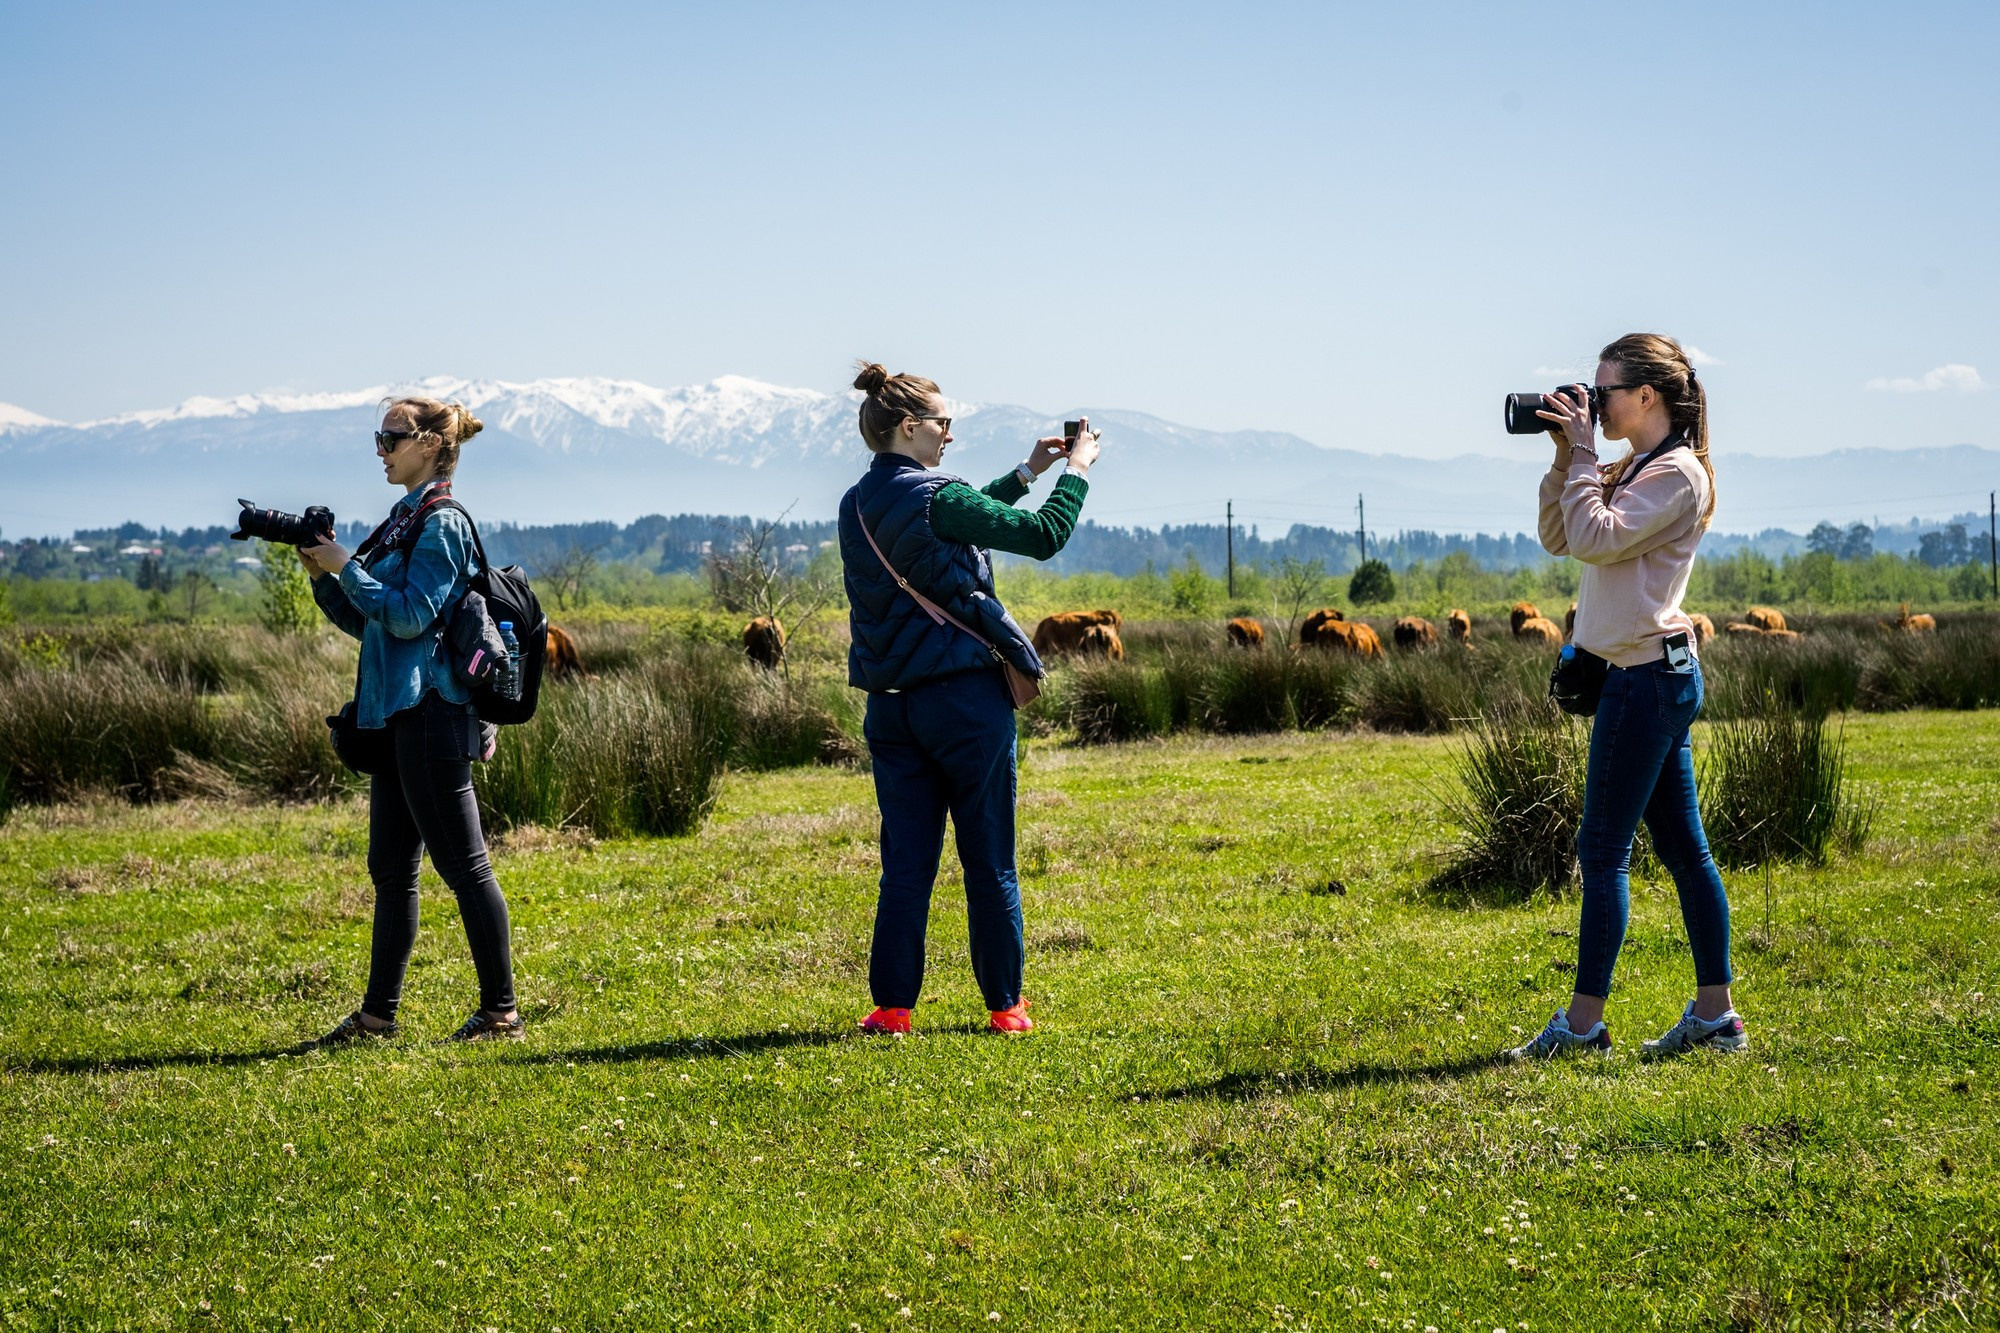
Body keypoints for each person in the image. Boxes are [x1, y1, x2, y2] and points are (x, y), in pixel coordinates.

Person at [837, 361, 1100, 1036]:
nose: (950, 436)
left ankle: (892, 1007)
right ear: (909, 426)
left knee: (906, 864)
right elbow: (1043, 537)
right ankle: (1005, 1005)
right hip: (963, 705)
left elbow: (935, 533)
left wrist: (1023, 473)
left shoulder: (857, 503)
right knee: (988, 858)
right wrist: (1077, 468)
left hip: (890, 707)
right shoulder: (940, 495)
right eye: (944, 423)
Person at [1508, 333, 1746, 1060]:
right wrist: (1565, 455)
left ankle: (1582, 1027)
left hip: (1646, 678)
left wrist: (1583, 455)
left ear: (1647, 395)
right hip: (1646, 675)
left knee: (1603, 849)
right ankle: (1716, 1017)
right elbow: (1560, 533)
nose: (1593, 400)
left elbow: (1595, 537)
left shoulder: (1676, 475)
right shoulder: (1638, 465)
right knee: (1683, 850)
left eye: (1603, 390)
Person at [298, 397, 523, 1044]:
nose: (381, 448)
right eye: (379, 437)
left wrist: (348, 567)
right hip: (395, 716)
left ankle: (501, 1013)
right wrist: (324, 578)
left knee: (466, 867)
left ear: (429, 444)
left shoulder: (442, 523)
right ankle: (376, 1018)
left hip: (434, 713)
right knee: (391, 872)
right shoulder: (403, 519)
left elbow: (408, 615)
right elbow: (367, 621)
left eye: (391, 437)